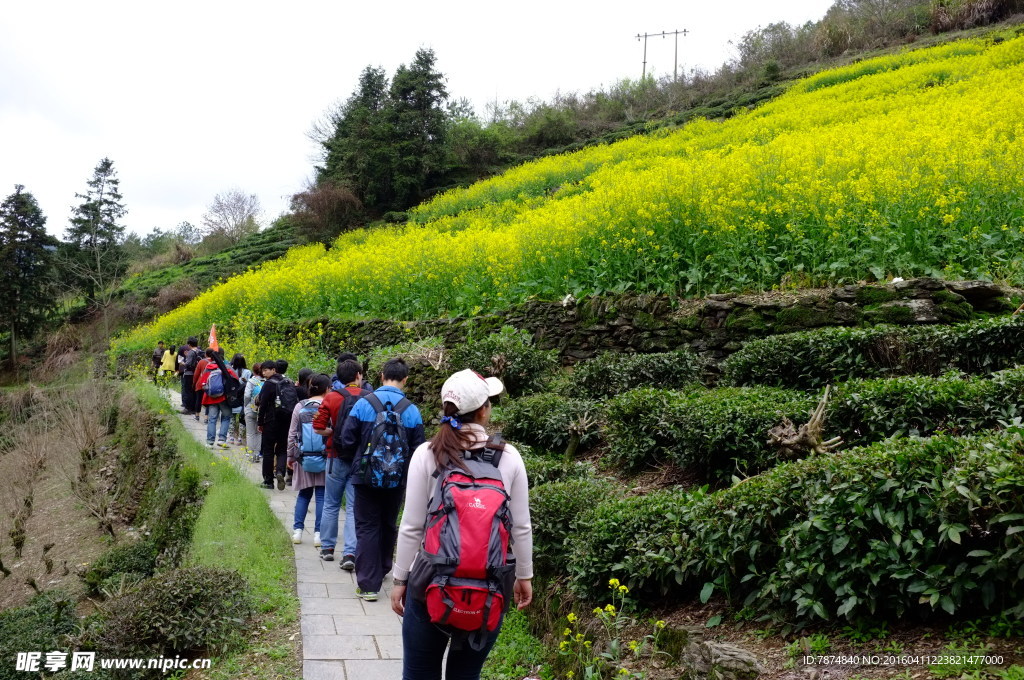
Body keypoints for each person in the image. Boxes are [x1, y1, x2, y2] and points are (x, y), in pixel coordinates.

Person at [390, 369, 533, 679]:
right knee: (466, 675)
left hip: (428, 583)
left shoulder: (427, 454)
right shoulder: (508, 457)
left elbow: (412, 526)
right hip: (490, 585)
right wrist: (524, 575)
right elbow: (521, 526)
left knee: (419, 673)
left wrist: (400, 579)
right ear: (483, 410)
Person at [340, 358, 425, 602]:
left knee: (367, 527)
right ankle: (385, 567)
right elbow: (418, 448)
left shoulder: (363, 403)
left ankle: (368, 584)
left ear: (381, 376)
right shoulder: (412, 410)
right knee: (388, 524)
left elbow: (347, 439)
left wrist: (359, 460)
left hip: (364, 476)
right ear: (405, 379)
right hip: (397, 480)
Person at [313, 358, 370, 568]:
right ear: (358, 375)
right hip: (359, 460)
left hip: (335, 456)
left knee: (331, 503)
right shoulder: (369, 398)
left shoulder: (332, 397)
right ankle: (350, 554)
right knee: (355, 507)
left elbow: (317, 426)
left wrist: (334, 433)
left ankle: (327, 548)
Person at [288, 373, 330, 546]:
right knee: (321, 495)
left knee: (304, 494)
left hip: (303, 457)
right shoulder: (328, 405)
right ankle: (318, 534)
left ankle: (297, 531)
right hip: (323, 456)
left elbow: (292, 433)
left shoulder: (300, 406)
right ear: (327, 389)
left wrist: (290, 455)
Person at [258, 359, 297, 490]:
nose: (264, 373)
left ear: (274, 370)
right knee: (281, 449)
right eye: (262, 370)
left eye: (266, 370)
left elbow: (262, 405)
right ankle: (280, 472)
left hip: (271, 421)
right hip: (286, 421)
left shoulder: (268, 384)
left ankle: (268, 481)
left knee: (268, 450)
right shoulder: (289, 382)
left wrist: (260, 422)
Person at [197, 348, 238, 448]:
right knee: (226, 417)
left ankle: (210, 442)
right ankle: (221, 440)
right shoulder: (227, 367)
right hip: (224, 398)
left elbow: (203, 382)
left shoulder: (208, 367)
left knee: (212, 419)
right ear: (223, 355)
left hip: (211, 398)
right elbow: (236, 380)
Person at [243, 362, 264, 462]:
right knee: (259, 433)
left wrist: (246, 405)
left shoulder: (251, 381)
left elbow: (247, 395)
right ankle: (257, 454)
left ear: (253, 371)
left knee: (250, 433)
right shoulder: (267, 381)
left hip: (251, 409)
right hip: (262, 411)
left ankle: (251, 454)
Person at [229, 353, 251, 446]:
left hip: (232, 397)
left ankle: (231, 437)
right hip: (243, 398)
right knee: (242, 419)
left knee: (232, 416)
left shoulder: (230, 370)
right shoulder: (248, 372)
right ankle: (240, 439)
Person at [180, 337, 201, 416]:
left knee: (187, 391)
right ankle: (193, 408)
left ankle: (188, 408)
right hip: (196, 374)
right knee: (193, 391)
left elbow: (188, 364)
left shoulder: (191, 352)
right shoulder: (199, 351)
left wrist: (182, 363)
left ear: (189, 344)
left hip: (189, 374)